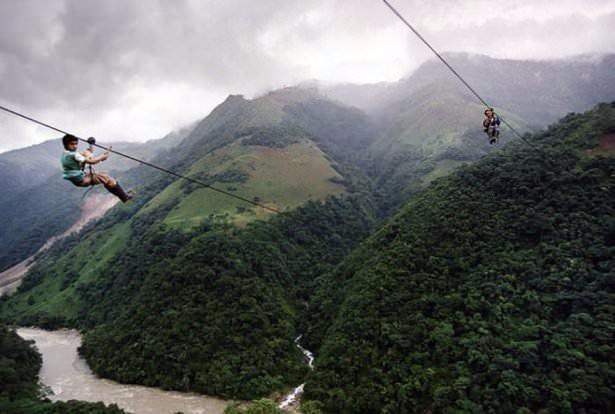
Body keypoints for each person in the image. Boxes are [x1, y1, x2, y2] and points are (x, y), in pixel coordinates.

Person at [60, 134, 132, 202]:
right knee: (107, 178)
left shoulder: (65, 154)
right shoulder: (74, 155)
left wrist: (91, 146)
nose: (75, 146)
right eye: (72, 144)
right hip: (83, 180)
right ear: (66, 145)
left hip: (78, 180)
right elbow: (92, 161)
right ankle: (124, 197)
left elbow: (85, 155)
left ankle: (123, 196)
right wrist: (102, 157)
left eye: (76, 144)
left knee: (103, 175)